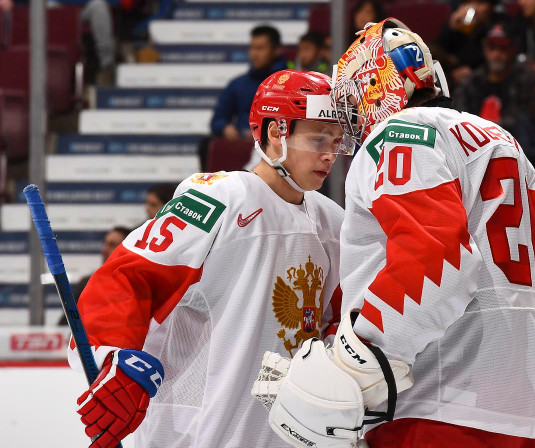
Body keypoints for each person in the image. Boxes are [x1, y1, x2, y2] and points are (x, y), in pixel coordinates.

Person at [255, 18, 535, 448]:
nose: (351, 119)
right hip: (520, 418)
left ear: (373, 86)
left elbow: (440, 260)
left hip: (432, 409)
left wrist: (355, 363)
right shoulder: (502, 141)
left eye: (352, 100)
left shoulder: (398, 135)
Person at [68, 70, 353, 448]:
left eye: (336, 140)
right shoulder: (219, 199)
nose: (330, 153)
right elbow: (126, 277)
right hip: (197, 434)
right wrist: (113, 359)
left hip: (284, 437)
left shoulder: (332, 221)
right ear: (275, 132)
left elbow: (342, 318)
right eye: (318, 138)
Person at [451, 22, 535, 130]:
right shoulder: (471, 81)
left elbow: (524, 119)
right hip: (474, 140)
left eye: (502, 48)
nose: (496, 54)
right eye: (492, 48)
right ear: (484, 50)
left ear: (513, 50)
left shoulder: (525, 80)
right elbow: (458, 117)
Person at [210, 25, 287, 141]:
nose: (254, 54)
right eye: (252, 48)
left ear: (276, 50)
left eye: (260, 48)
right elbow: (218, 119)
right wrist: (225, 128)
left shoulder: (291, 83)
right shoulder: (238, 84)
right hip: (243, 146)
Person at [58, 226, 131, 325]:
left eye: (112, 245)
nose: (105, 250)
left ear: (128, 250)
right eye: (105, 244)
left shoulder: (137, 286)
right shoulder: (87, 283)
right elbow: (65, 325)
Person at [433, 0, 502, 85]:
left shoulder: (499, 25)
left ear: (491, 6)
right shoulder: (456, 26)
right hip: (453, 80)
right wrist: (450, 29)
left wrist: (473, 70)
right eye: (468, 3)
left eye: (480, 3)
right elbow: (437, 54)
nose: (474, 8)